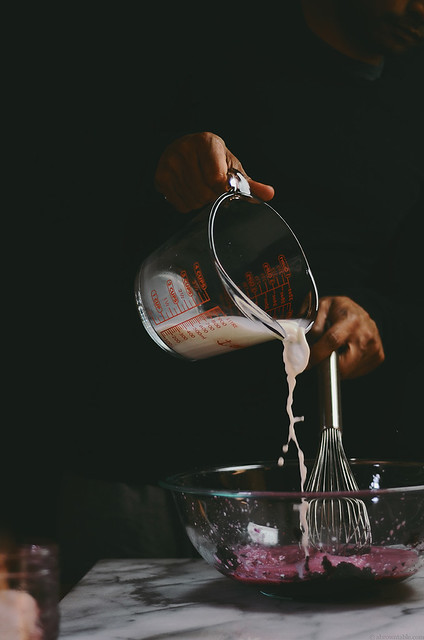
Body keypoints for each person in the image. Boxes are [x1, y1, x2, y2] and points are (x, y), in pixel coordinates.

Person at [6, 1, 423, 593]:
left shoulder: (413, 101)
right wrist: (162, 165)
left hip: (311, 485)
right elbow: (54, 191)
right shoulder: (197, 53)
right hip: (138, 460)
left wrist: (382, 317)